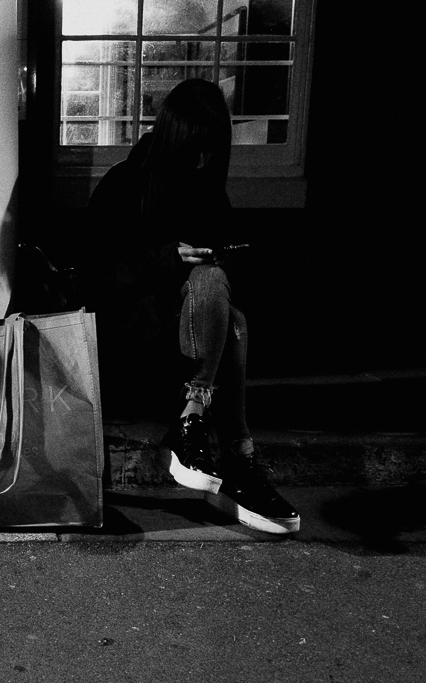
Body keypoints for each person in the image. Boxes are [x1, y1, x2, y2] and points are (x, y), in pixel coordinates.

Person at [77, 78, 299, 534]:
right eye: (195, 150)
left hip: (192, 332)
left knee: (222, 297)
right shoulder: (125, 184)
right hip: (130, 331)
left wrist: (222, 259)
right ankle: (234, 456)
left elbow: (225, 279)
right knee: (232, 321)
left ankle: (195, 423)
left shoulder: (208, 193)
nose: (202, 161)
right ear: (174, 140)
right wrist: (166, 259)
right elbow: (95, 275)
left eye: (211, 152)